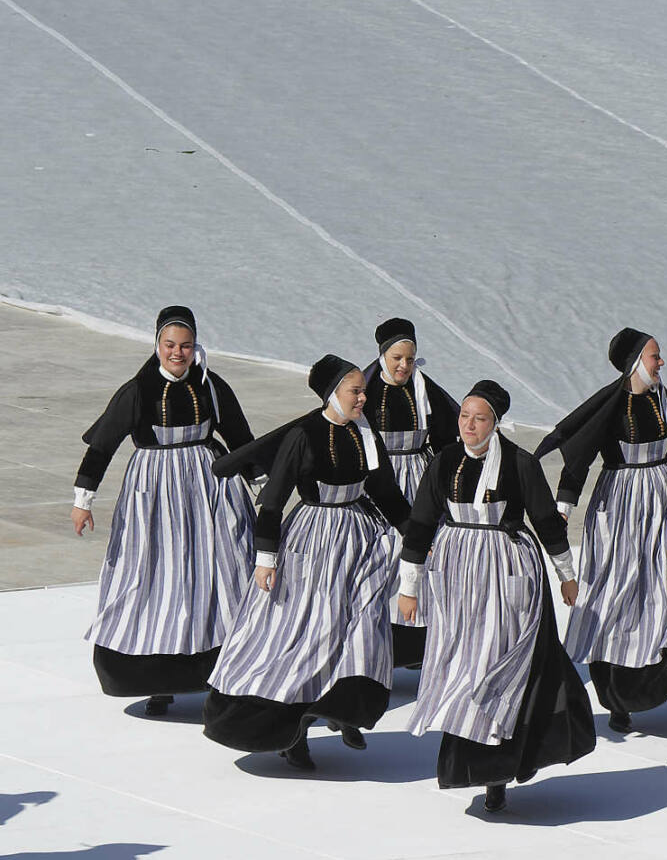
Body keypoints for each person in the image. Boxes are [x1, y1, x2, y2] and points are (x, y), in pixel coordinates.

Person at [203, 354, 411, 768]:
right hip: (313, 539)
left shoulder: (366, 434)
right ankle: (291, 733)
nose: (362, 398)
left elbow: (387, 493)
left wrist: (419, 538)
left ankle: (344, 708)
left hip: (360, 539)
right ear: (332, 393)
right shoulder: (303, 435)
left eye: (363, 391)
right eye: (355, 391)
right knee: (305, 636)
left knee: (363, 627)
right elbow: (273, 501)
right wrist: (266, 559)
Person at [398, 381, 595, 813]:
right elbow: (421, 523)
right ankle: (471, 763)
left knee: (499, 667)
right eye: (464, 416)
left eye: (480, 418)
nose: (469, 425)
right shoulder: (444, 461)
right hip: (456, 576)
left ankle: (498, 771)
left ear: (496, 423)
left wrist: (566, 575)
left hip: (507, 572)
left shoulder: (521, 463)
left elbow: (546, 521)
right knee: (462, 667)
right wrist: (408, 587)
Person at [541, 329, 667, 734]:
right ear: (636, 362)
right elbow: (578, 460)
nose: (661, 362)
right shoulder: (610, 405)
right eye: (655, 356)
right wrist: (563, 507)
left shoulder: (665, 401)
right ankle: (619, 695)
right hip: (622, 503)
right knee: (622, 593)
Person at [70, 306, 258, 716]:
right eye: (170, 345)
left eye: (185, 345)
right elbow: (102, 445)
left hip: (210, 489)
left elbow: (241, 438)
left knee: (218, 574)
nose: (178, 353)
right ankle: (157, 682)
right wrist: (83, 501)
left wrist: (262, 485)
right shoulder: (138, 390)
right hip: (155, 491)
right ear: (157, 345)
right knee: (155, 576)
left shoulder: (211, 386)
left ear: (195, 346)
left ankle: (223, 671)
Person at [362, 317, 459, 669]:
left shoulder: (424, 388)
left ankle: (420, 645)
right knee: (382, 558)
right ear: (382, 355)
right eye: (397, 358)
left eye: (410, 358)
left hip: (419, 478)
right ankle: (378, 645)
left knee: (426, 557)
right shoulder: (366, 388)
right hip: (379, 480)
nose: (404, 365)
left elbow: (447, 435)